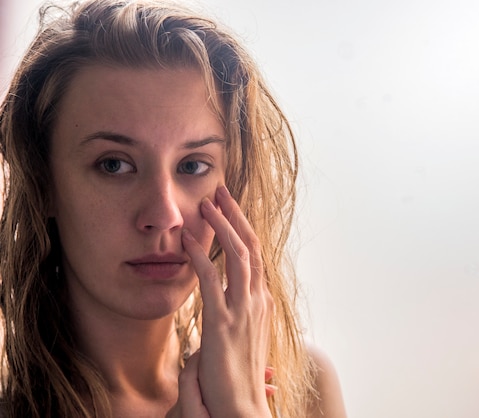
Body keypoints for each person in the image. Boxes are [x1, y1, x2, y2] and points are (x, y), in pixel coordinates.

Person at [0, 0, 346, 417]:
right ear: (43, 182)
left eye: (193, 165)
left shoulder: (303, 389)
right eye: (114, 165)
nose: (165, 216)